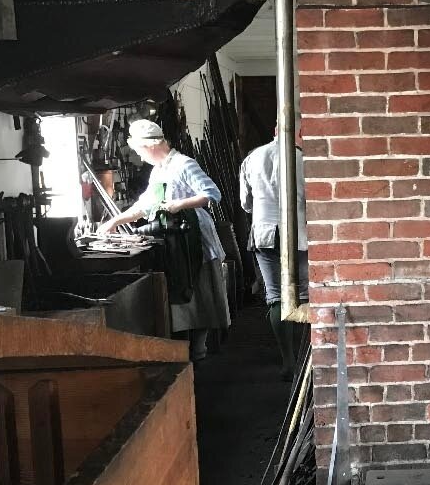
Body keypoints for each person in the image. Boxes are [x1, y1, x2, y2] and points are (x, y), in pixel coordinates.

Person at [99, 119, 230, 361]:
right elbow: (144, 205)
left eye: (139, 150)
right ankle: (187, 354)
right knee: (184, 297)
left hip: (196, 242)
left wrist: (179, 204)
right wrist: (114, 222)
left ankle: (199, 352)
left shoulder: (183, 164)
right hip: (176, 242)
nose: (139, 156)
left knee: (201, 297)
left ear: (150, 146)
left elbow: (212, 194)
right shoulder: (159, 170)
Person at [239, 132, 309, 379]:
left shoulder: (253, 158)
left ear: (274, 131)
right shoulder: (305, 159)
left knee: (277, 298)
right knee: (303, 297)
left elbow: (245, 204)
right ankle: (306, 363)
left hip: (265, 232)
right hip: (300, 234)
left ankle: (287, 361)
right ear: (299, 134)